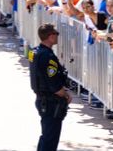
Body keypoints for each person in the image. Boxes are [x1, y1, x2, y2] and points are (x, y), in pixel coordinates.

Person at [30, 23, 72, 151]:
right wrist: (65, 94)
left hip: (43, 99)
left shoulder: (35, 52)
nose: (57, 35)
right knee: (50, 138)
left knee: (46, 136)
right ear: (50, 36)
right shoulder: (48, 57)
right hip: (51, 102)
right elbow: (52, 82)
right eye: (56, 33)